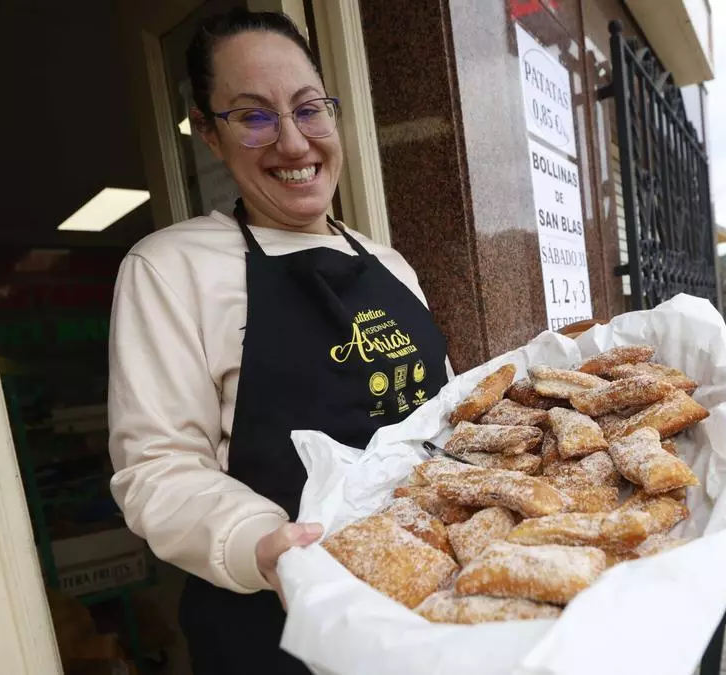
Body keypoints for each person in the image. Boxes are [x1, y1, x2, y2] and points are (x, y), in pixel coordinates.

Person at [106, 9, 450, 673]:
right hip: (273, 632)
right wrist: (264, 545)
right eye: (254, 116)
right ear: (210, 133)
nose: (292, 142)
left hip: (426, 611)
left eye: (309, 109)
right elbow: (158, 469)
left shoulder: (391, 266)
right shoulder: (171, 268)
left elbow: (448, 419)